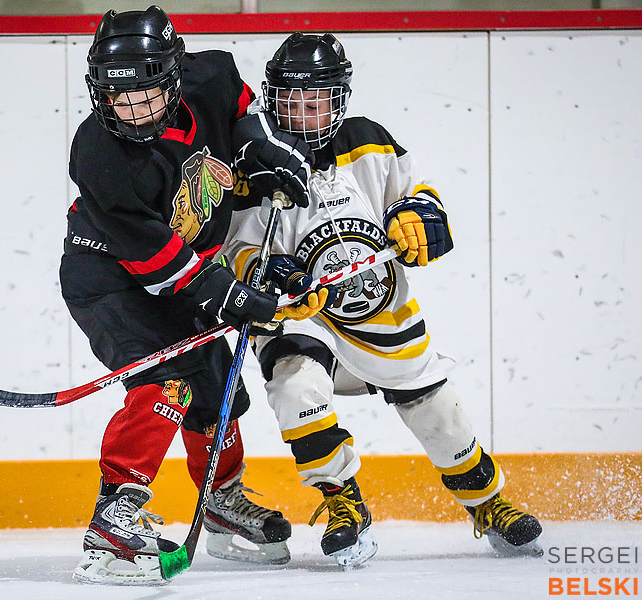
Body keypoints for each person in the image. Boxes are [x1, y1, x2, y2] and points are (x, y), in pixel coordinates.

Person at [222, 32, 543, 569]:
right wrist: (265, 272)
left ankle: (489, 504)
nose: (303, 112)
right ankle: (342, 502)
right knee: (296, 382)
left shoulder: (367, 141)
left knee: (439, 412)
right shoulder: (253, 160)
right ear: (271, 98)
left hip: (382, 314)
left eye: (317, 99)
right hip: (305, 317)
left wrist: (419, 219)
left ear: (339, 99)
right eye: (290, 100)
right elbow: (235, 246)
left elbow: (422, 198)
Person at [60, 7, 317, 585]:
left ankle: (221, 501)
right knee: (164, 382)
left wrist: (258, 153)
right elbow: (154, 261)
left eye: (147, 95)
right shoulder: (99, 154)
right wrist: (226, 291)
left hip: (183, 267)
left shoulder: (210, 76)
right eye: (118, 98)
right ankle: (114, 520)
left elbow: (242, 111)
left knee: (216, 386)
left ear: (173, 78)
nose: (132, 110)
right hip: (107, 276)